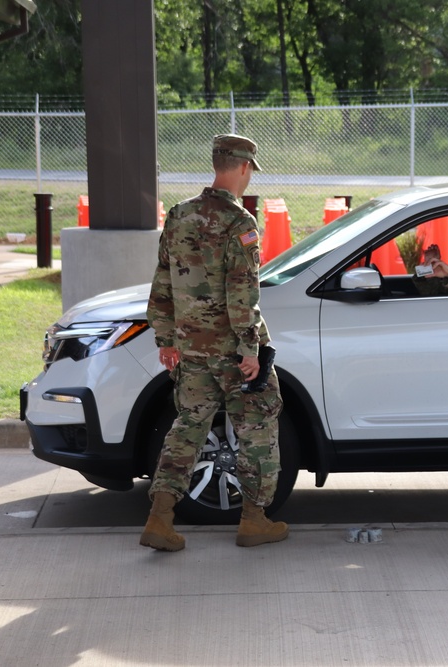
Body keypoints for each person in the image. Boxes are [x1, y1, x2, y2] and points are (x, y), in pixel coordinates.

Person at [141, 134, 286, 552]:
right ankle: (254, 520)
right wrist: (249, 348)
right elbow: (243, 293)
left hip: (190, 351)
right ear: (243, 168)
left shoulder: (180, 214)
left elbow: (162, 281)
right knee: (257, 425)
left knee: (188, 427)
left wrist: (166, 337)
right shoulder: (240, 223)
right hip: (233, 353)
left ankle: (160, 518)